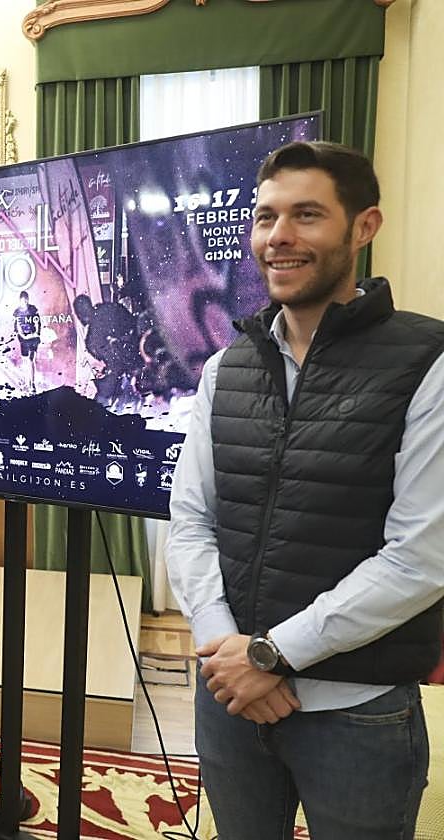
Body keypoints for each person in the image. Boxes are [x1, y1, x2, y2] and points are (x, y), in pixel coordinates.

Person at [168, 141, 444, 839]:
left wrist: (271, 654)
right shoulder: (226, 368)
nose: (279, 236)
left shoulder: (426, 363)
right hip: (229, 700)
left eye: (307, 215)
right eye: (266, 217)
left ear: (364, 226)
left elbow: (421, 558)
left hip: (356, 715)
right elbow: (191, 521)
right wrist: (226, 651)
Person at [12, 290, 42, 391]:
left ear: (28, 300)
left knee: (31, 360)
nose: (24, 303)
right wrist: (23, 336)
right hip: (23, 339)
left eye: (26, 301)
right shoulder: (17, 312)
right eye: (22, 301)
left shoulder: (33, 309)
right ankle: (26, 382)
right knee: (25, 361)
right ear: (19, 301)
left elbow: (38, 323)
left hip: (33, 338)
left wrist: (36, 333)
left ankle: (32, 384)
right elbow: (17, 327)